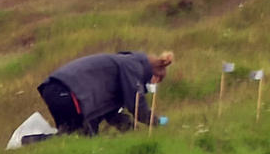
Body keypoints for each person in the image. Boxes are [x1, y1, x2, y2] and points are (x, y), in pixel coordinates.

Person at [36, 50, 174, 136]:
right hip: (67, 91)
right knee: (76, 139)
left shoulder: (126, 66)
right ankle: (26, 142)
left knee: (76, 138)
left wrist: (131, 131)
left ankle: (28, 143)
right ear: (154, 77)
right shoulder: (133, 68)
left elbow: (110, 113)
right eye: (155, 83)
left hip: (57, 89)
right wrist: (155, 122)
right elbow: (136, 103)